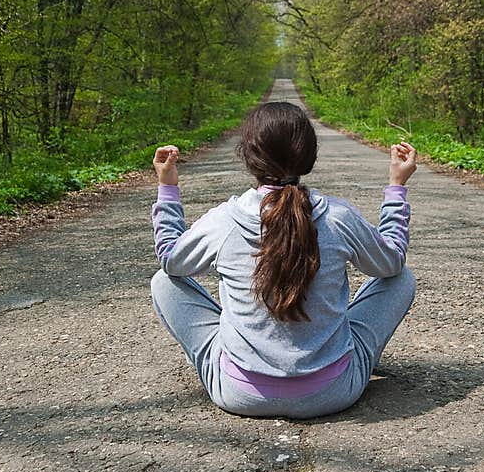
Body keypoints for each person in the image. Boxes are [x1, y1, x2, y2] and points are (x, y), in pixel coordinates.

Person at [149, 101, 417, 419]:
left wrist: (167, 187)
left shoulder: (225, 220)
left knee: (164, 281)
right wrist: (396, 187)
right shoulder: (338, 216)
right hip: (334, 392)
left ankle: (243, 363)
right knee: (402, 278)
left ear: (248, 158)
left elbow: (171, 259)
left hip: (239, 394)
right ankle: (331, 363)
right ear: (309, 156)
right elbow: (391, 263)